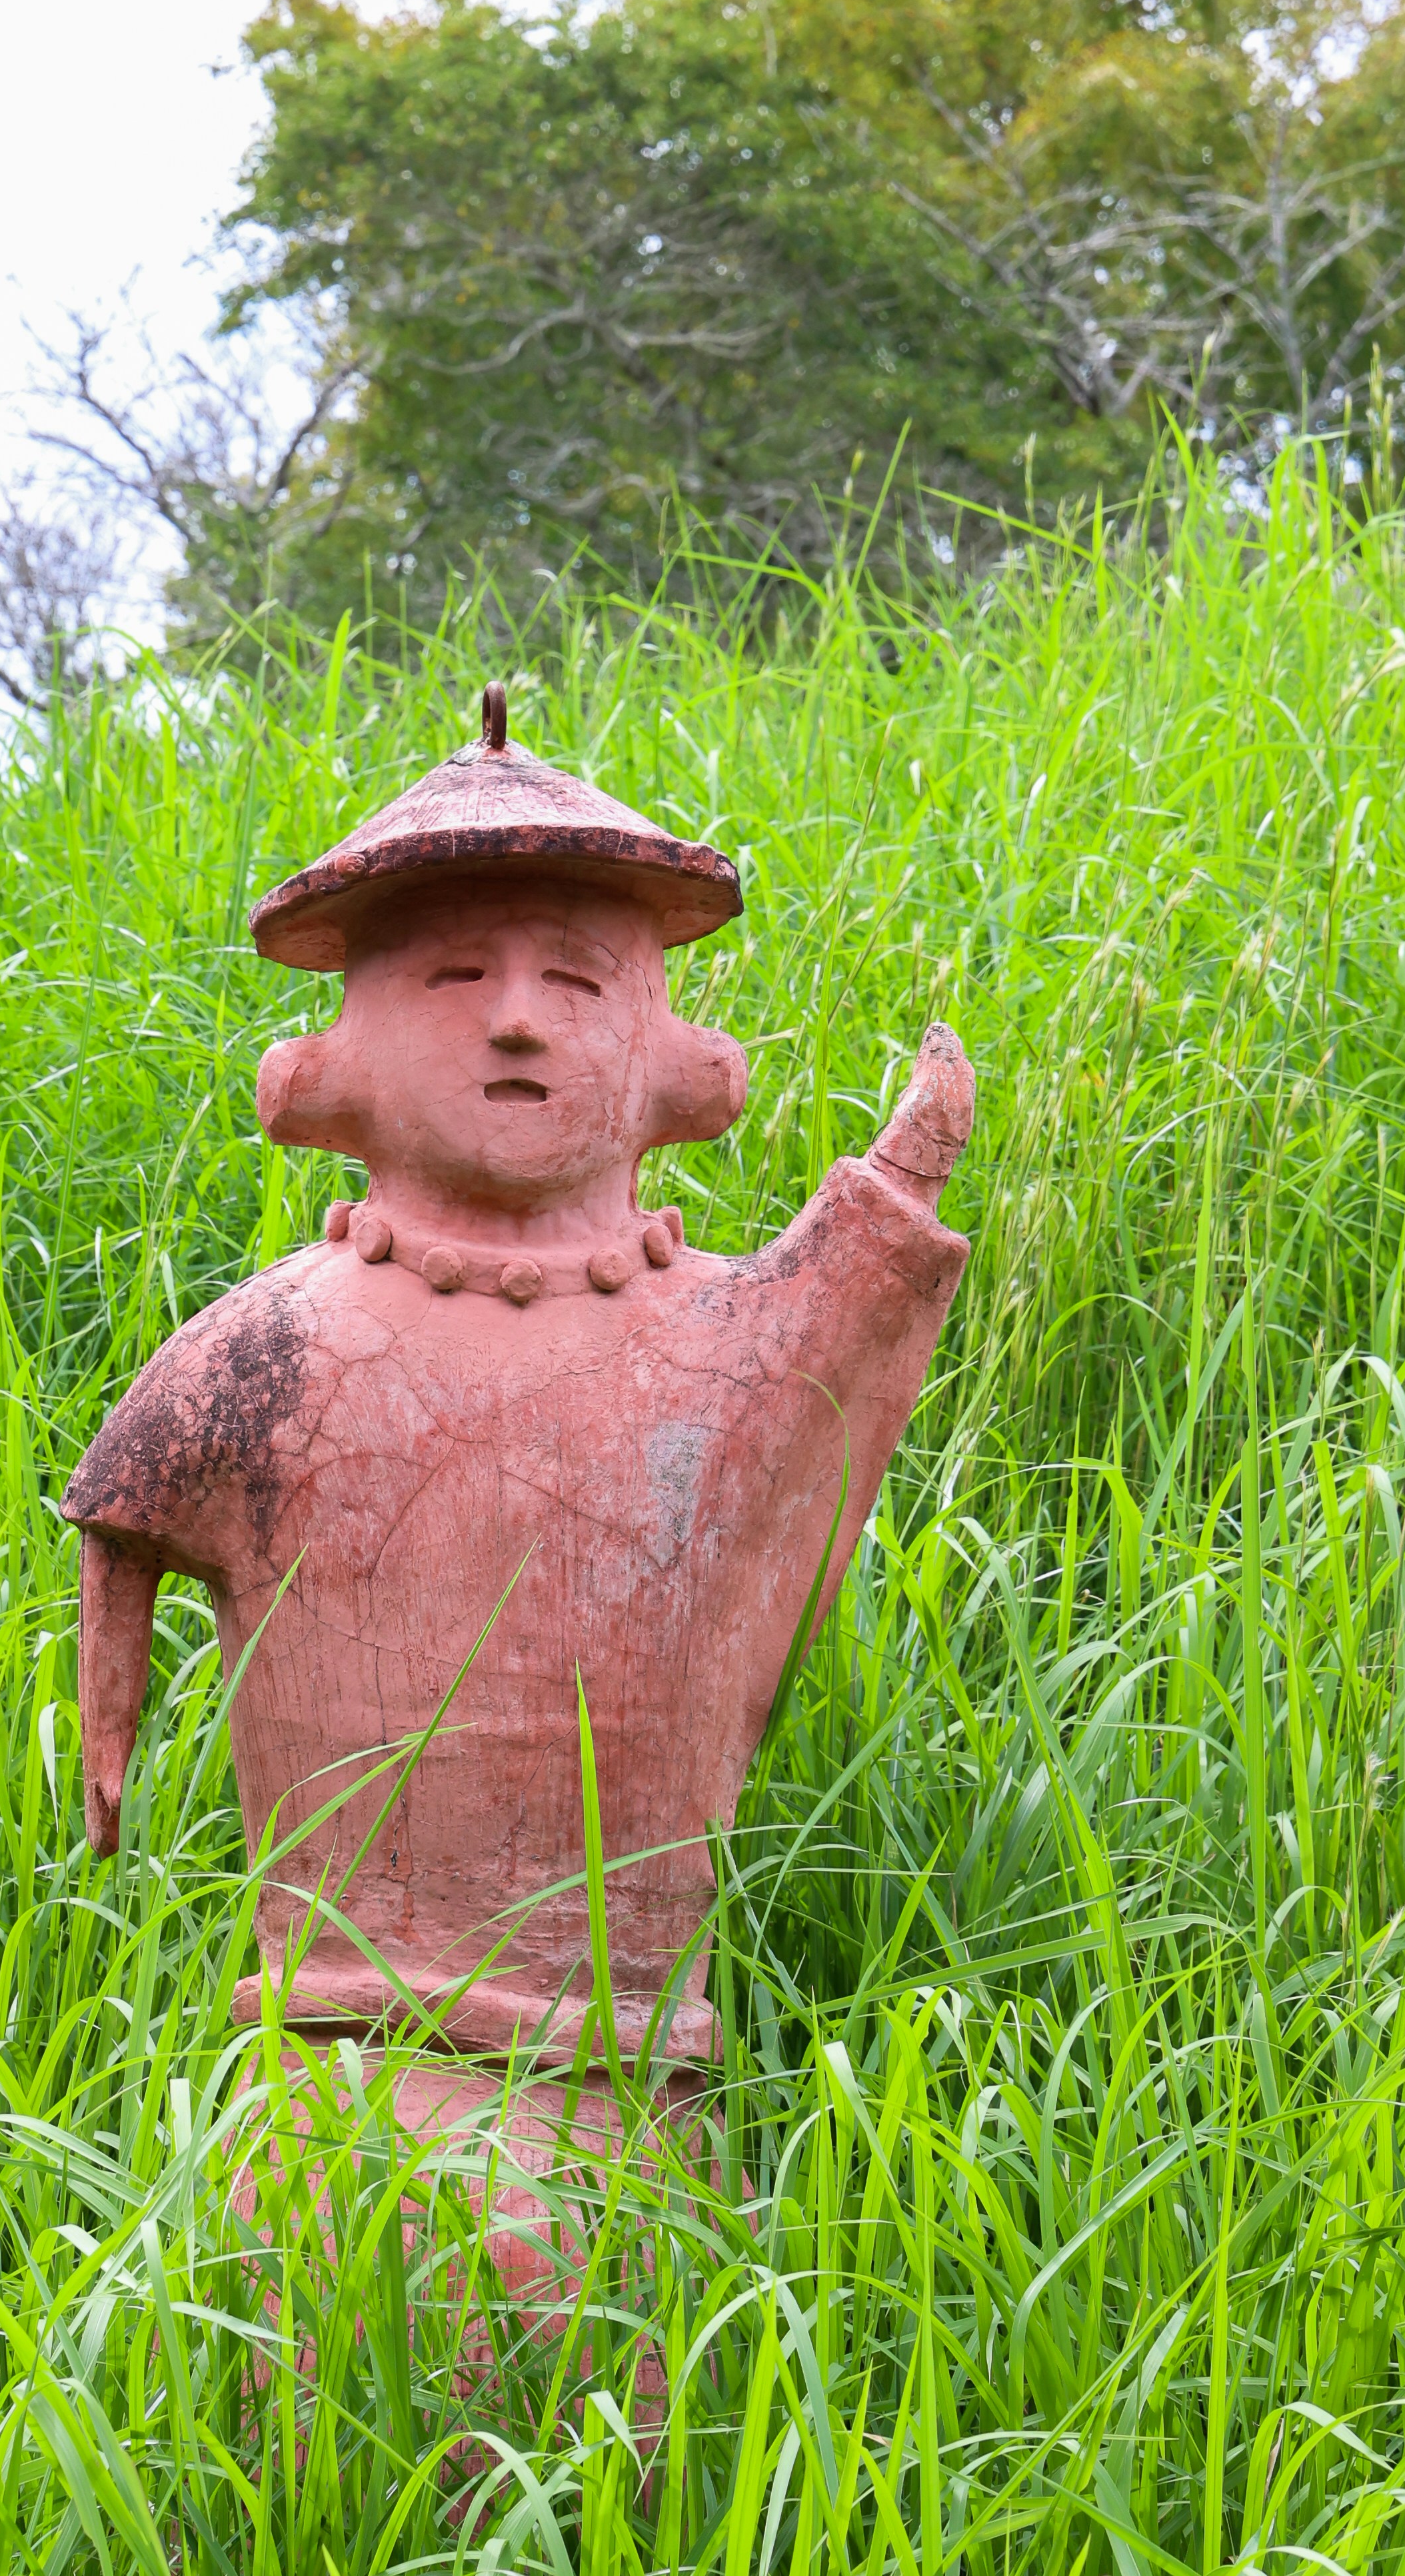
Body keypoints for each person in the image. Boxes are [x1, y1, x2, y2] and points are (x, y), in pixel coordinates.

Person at [63, 686, 973, 2072]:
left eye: (576, 980)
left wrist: (892, 1197)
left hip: (637, 2072)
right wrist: (107, 1716)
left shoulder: (725, 1331)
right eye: (451, 979)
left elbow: (824, 1352)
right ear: (341, 1052)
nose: (517, 1024)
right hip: (337, 2070)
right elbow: (119, 1533)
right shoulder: (271, 1349)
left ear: (669, 1054)